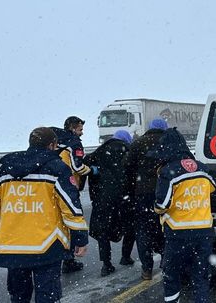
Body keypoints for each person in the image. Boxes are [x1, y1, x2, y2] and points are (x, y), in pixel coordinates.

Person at [0, 127, 88, 303]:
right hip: (47, 245)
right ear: (52, 145)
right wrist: (80, 238)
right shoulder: (57, 169)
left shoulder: (7, 169)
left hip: (13, 245)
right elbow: (70, 207)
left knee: (18, 297)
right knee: (47, 296)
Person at [150, 128, 216, 303]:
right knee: (200, 276)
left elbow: (161, 205)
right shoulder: (202, 168)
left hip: (178, 235)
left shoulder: (168, 171)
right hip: (204, 233)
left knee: (172, 276)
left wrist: (157, 209)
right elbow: (212, 189)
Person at [83, 129, 136, 277]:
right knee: (130, 227)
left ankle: (106, 264)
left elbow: (85, 167)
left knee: (103, 231)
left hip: (103, 199)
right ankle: (126, 257)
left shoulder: (98, 152)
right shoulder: (129, 151)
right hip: (125, 197)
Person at [123, 117, 168, 280]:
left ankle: (147, 268)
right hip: (165, 193)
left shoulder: (138, 143)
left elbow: (127, 167)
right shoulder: (169, 142)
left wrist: (133, 188)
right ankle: (165, 264)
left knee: (143, 231)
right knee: (165, 228)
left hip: (142, 194)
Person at [51, 116, 96, 273]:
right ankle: (69, 260)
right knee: (71, 221)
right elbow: (77, 167)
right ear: (72, 128)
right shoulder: (74, 143)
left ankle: (56, 257)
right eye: (80, 129)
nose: (82, 133)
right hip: (68, 185)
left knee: (56, 222)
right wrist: (91, 170)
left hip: (51, 185)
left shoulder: (56, 142)